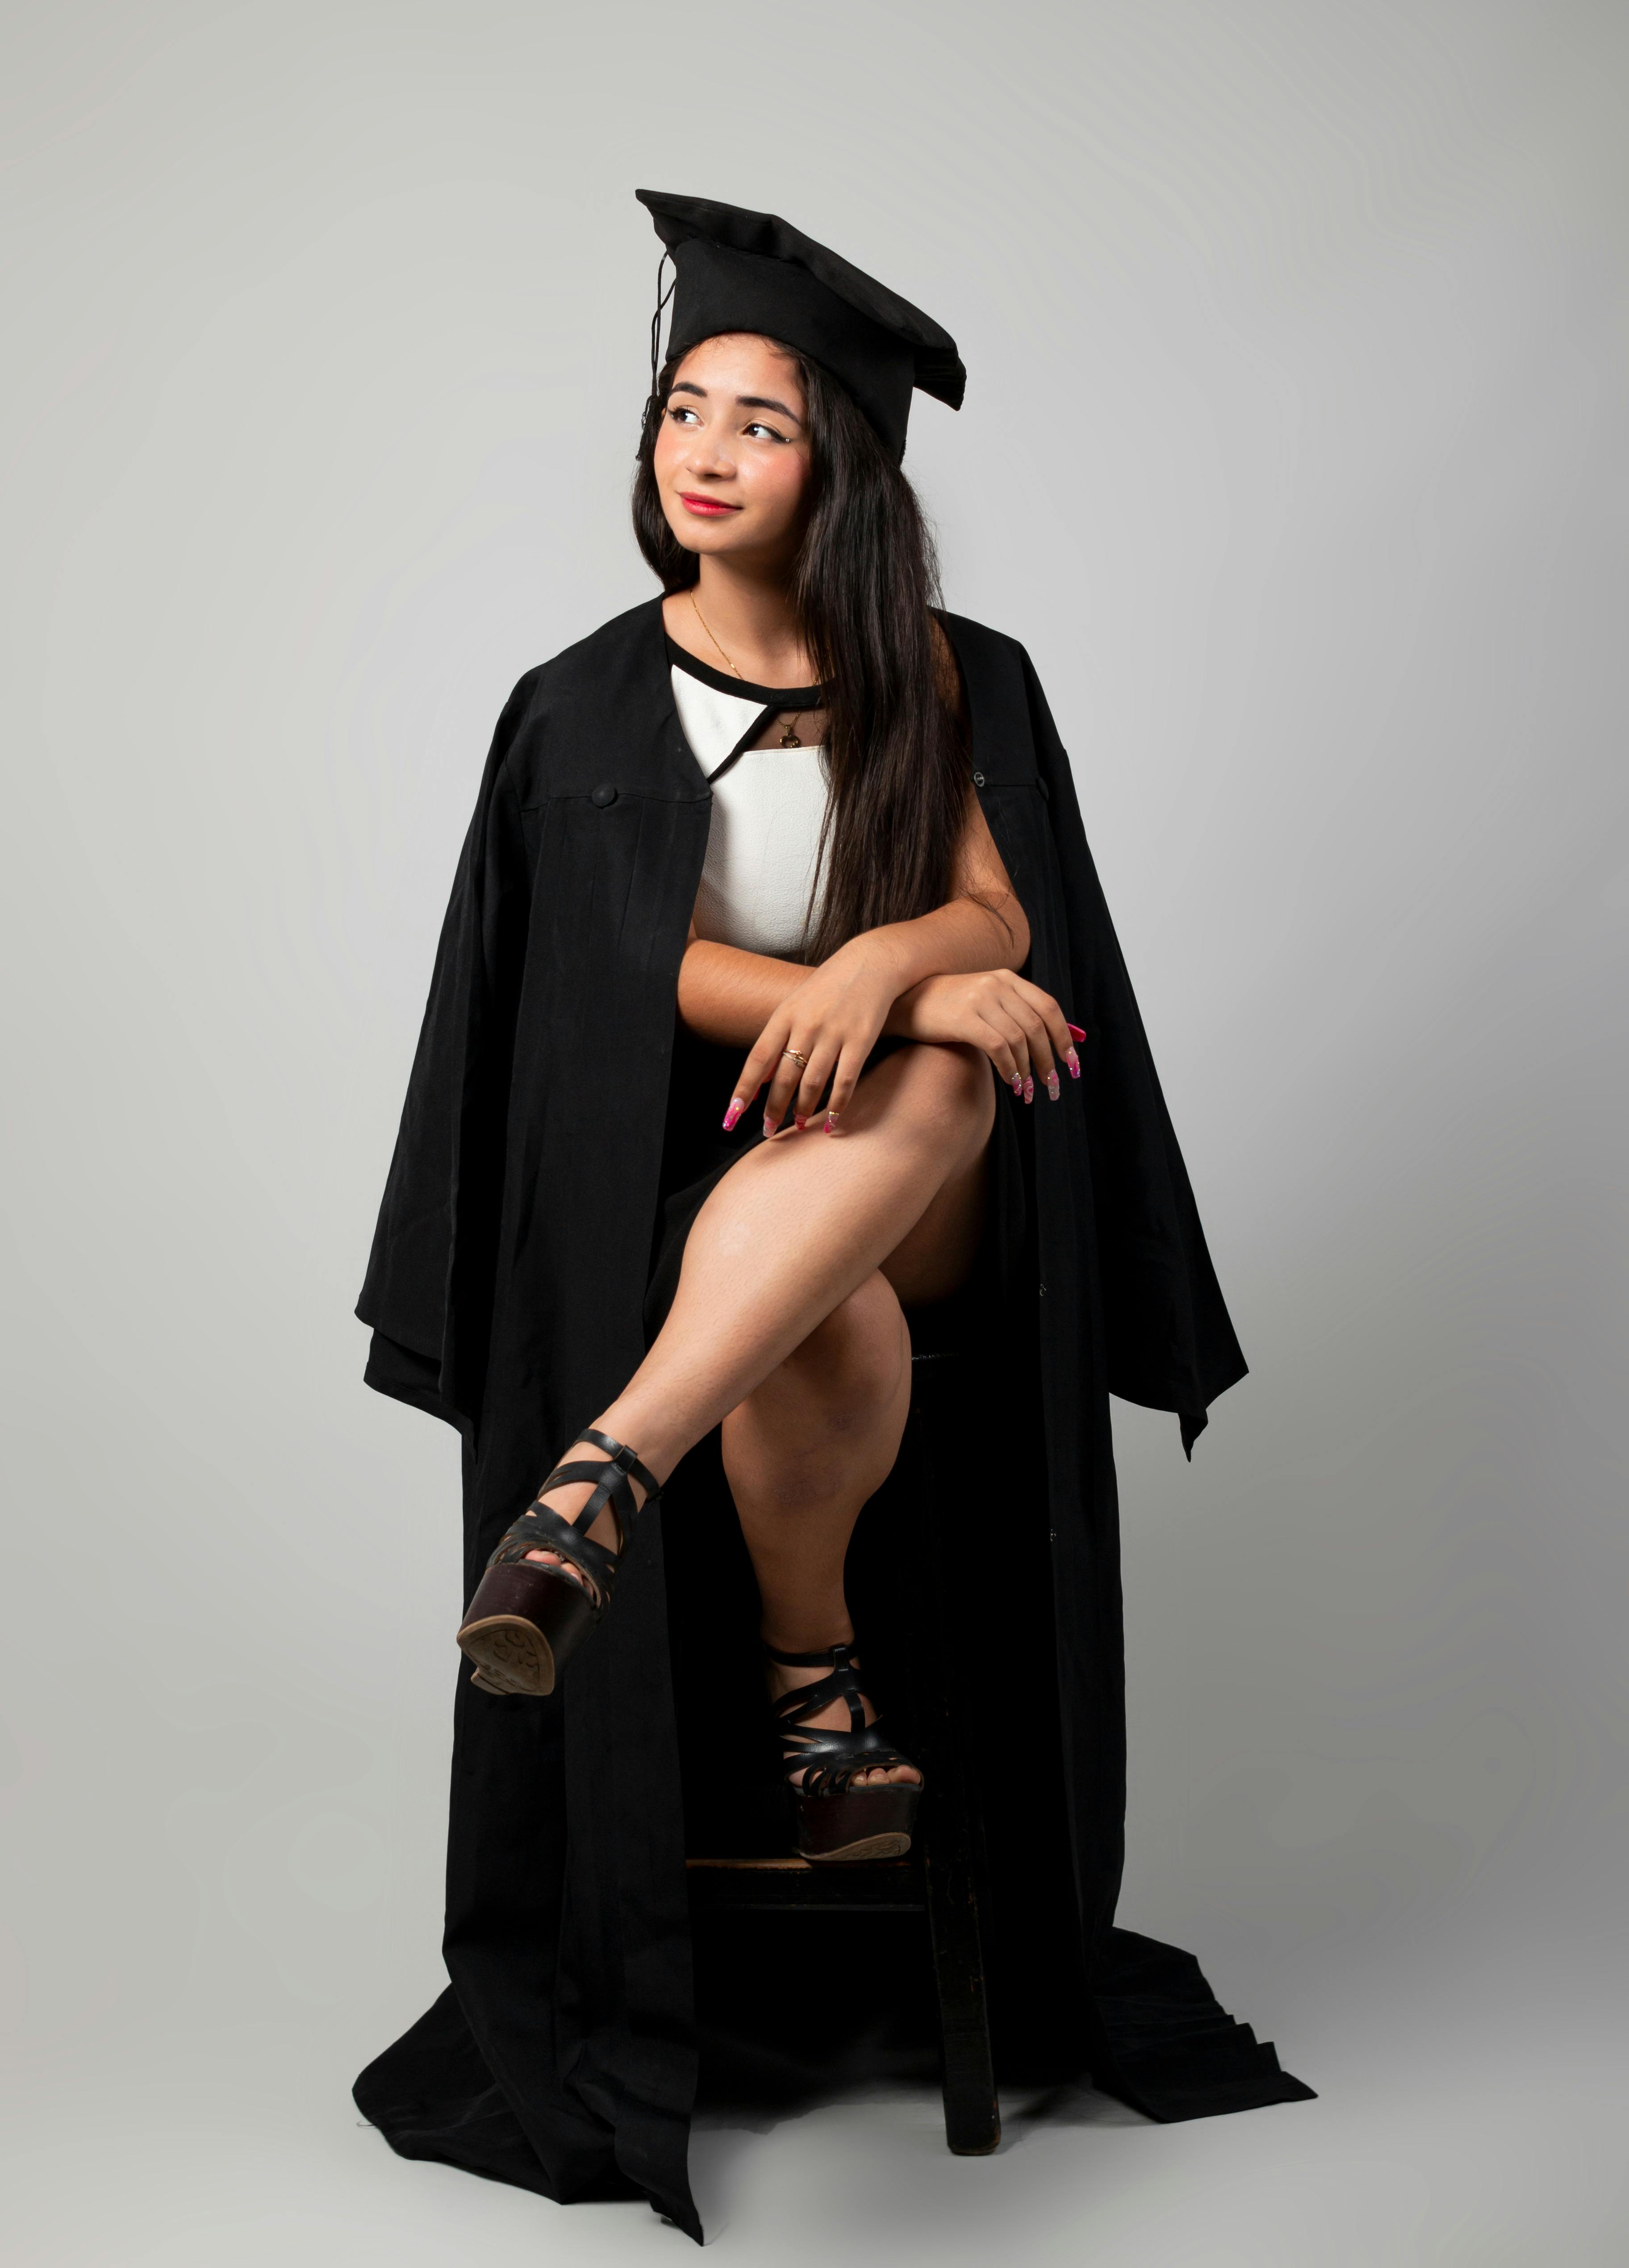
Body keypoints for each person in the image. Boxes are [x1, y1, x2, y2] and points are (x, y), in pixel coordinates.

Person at [353, 191, 1311, 2239]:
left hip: (921, 1172)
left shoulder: (951, 677)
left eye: (757, 423)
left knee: (962, 1064)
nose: (698, 451)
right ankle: (820, 1696)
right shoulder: (586, 706)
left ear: (843, 468)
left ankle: (601, 1481)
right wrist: (859, 977)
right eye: (680, 410)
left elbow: (994, 916)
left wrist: (902, 978)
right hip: (687, 1205)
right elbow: (624, 967)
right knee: (834, 1308)